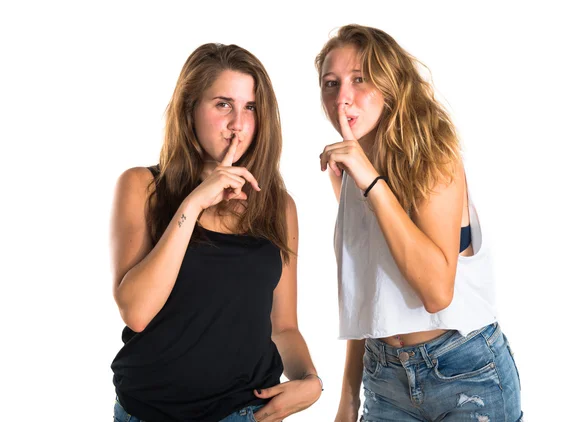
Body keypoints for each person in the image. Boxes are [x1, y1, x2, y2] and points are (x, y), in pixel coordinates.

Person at [315, 25, 522, 421]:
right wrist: (347, 396)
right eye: (330, 83)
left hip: (464, 372)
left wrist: (370, 180)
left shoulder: (433, 157)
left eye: (360, 79)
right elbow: (367, 293)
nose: (342, 97)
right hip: (384, 377)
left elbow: (436, 293)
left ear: (390, 83)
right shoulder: (346, 172)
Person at [110, 43, 322, 422]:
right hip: (148, 413)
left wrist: (310, 380)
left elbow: (284, 326)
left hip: (245, 412)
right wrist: (192, 205)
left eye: (250, 107)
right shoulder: (143, 187)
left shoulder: (277, 206)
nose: (238, 124)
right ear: (190, 109)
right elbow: (137, 313)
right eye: (223, 104)